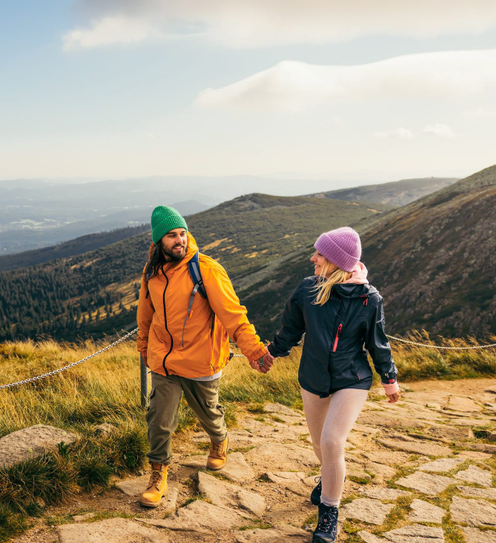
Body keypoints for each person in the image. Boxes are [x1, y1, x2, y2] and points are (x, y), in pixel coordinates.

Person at [259, 227, 399, 543]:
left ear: (335, 261)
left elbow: (378, 343)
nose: (313, 258)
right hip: (313, 378)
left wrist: (388, 379)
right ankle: (328, 477)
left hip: (352, 380)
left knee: (333, 441)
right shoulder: (308, 289)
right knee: (321, 446)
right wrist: (271, 353)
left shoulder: (369, 298)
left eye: (319, 254)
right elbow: (291, 330)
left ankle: (329, 513)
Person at [136, 205, 274, 508]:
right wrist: (145, 348)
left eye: (182, 233)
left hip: (201, 360)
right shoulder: (152, 272)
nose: (179, 240)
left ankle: (219, 439)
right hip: (164, 361)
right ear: (159, 241)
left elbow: (233, 314)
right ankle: (158, 473)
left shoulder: (206, 269)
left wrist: (253, 349)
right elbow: (145, 315)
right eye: (172, 235)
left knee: (208, 414)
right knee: (159, 418)